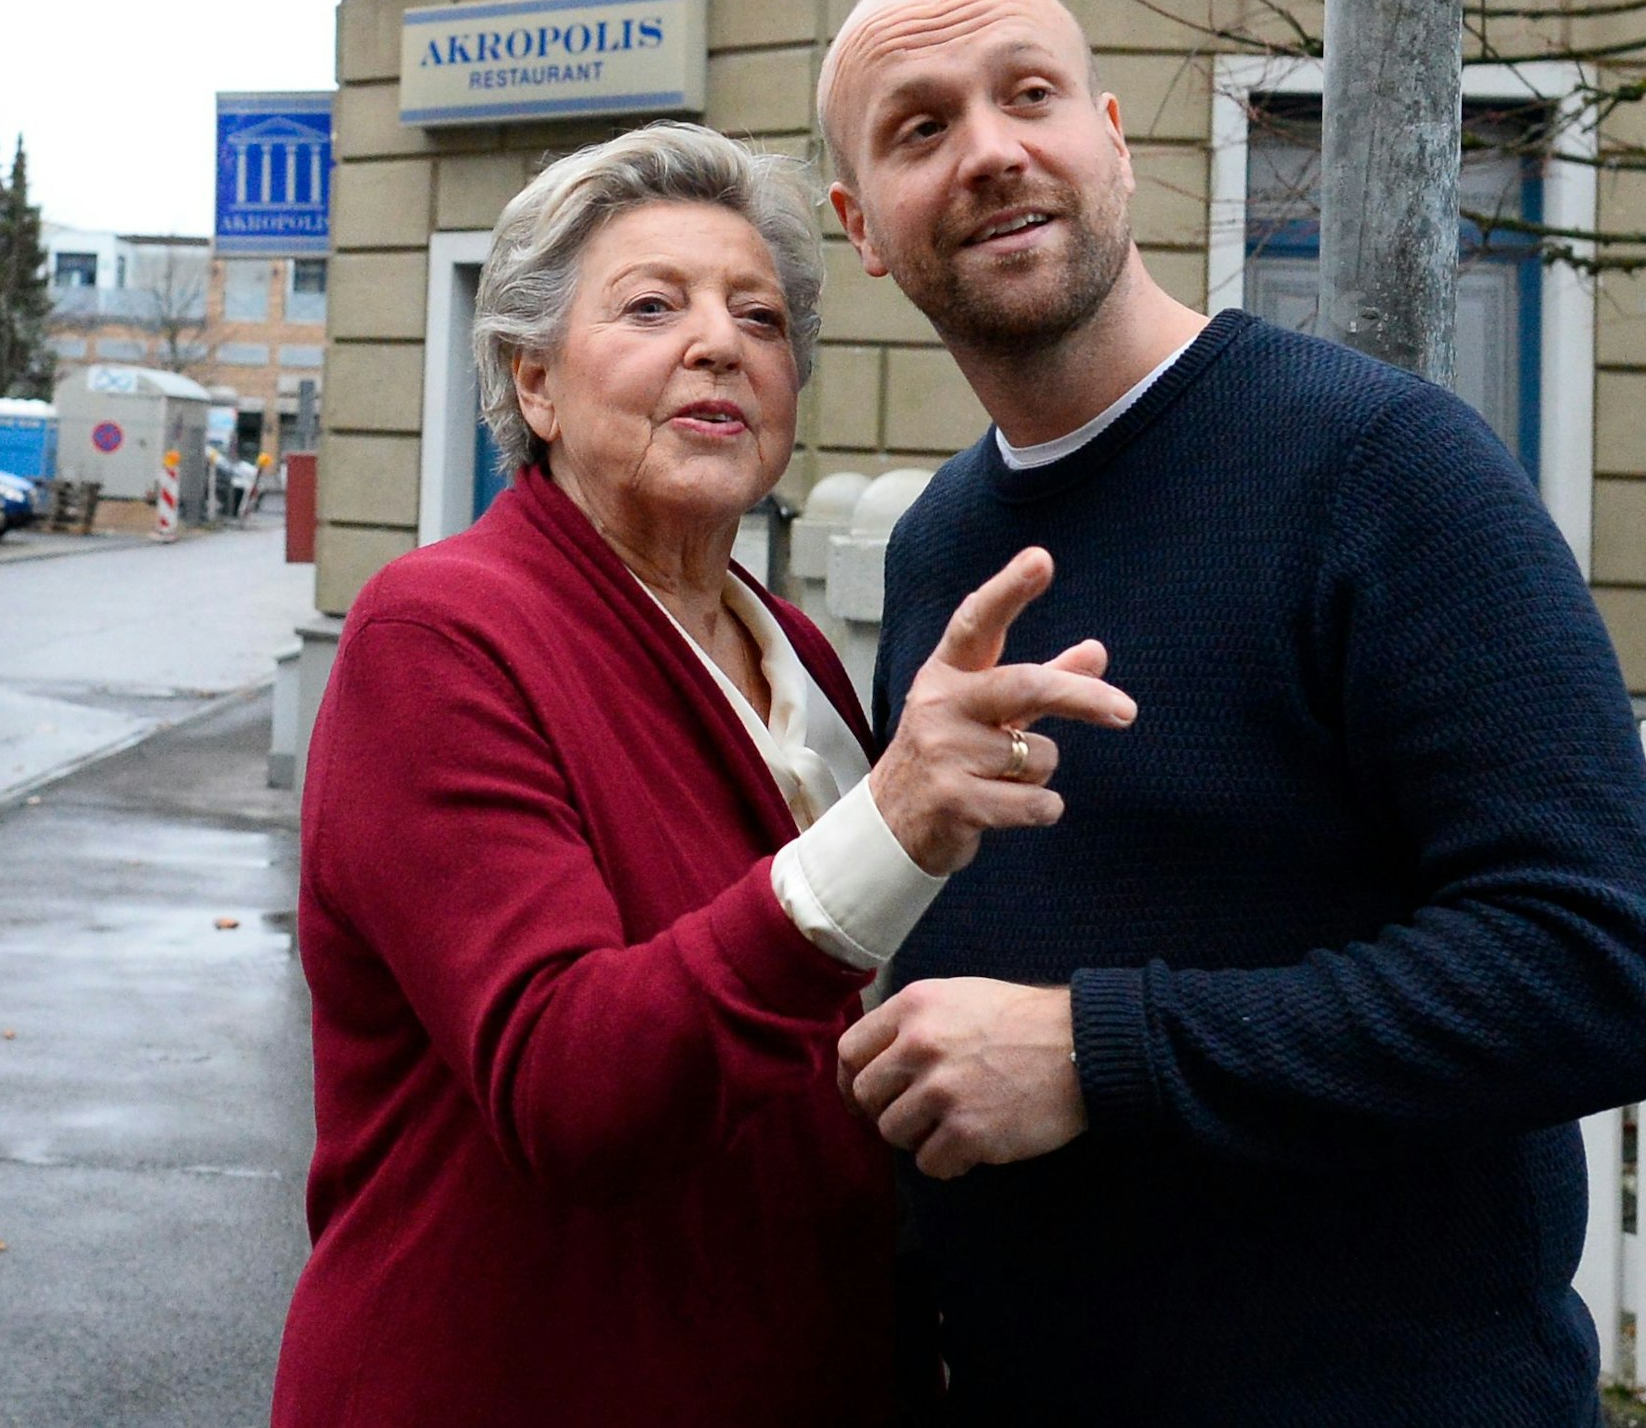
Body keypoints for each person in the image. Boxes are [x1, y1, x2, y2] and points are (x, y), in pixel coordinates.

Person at [820, 0, 1646, 1425]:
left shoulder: (1382, 468)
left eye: (1028, 96)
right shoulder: (940, 547)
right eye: (918, 129)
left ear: (1111, 137)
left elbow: (1605, 972)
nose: (989, 149)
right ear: (863, 228)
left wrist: (1099, 1054)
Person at [269, 121, 1135, 1426]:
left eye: (762, 317)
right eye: (651, 306)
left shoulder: (783, 643)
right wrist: (889, 824)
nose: (721, 342)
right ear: (537, 384)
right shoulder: (437, 636)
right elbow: (575, 1087)